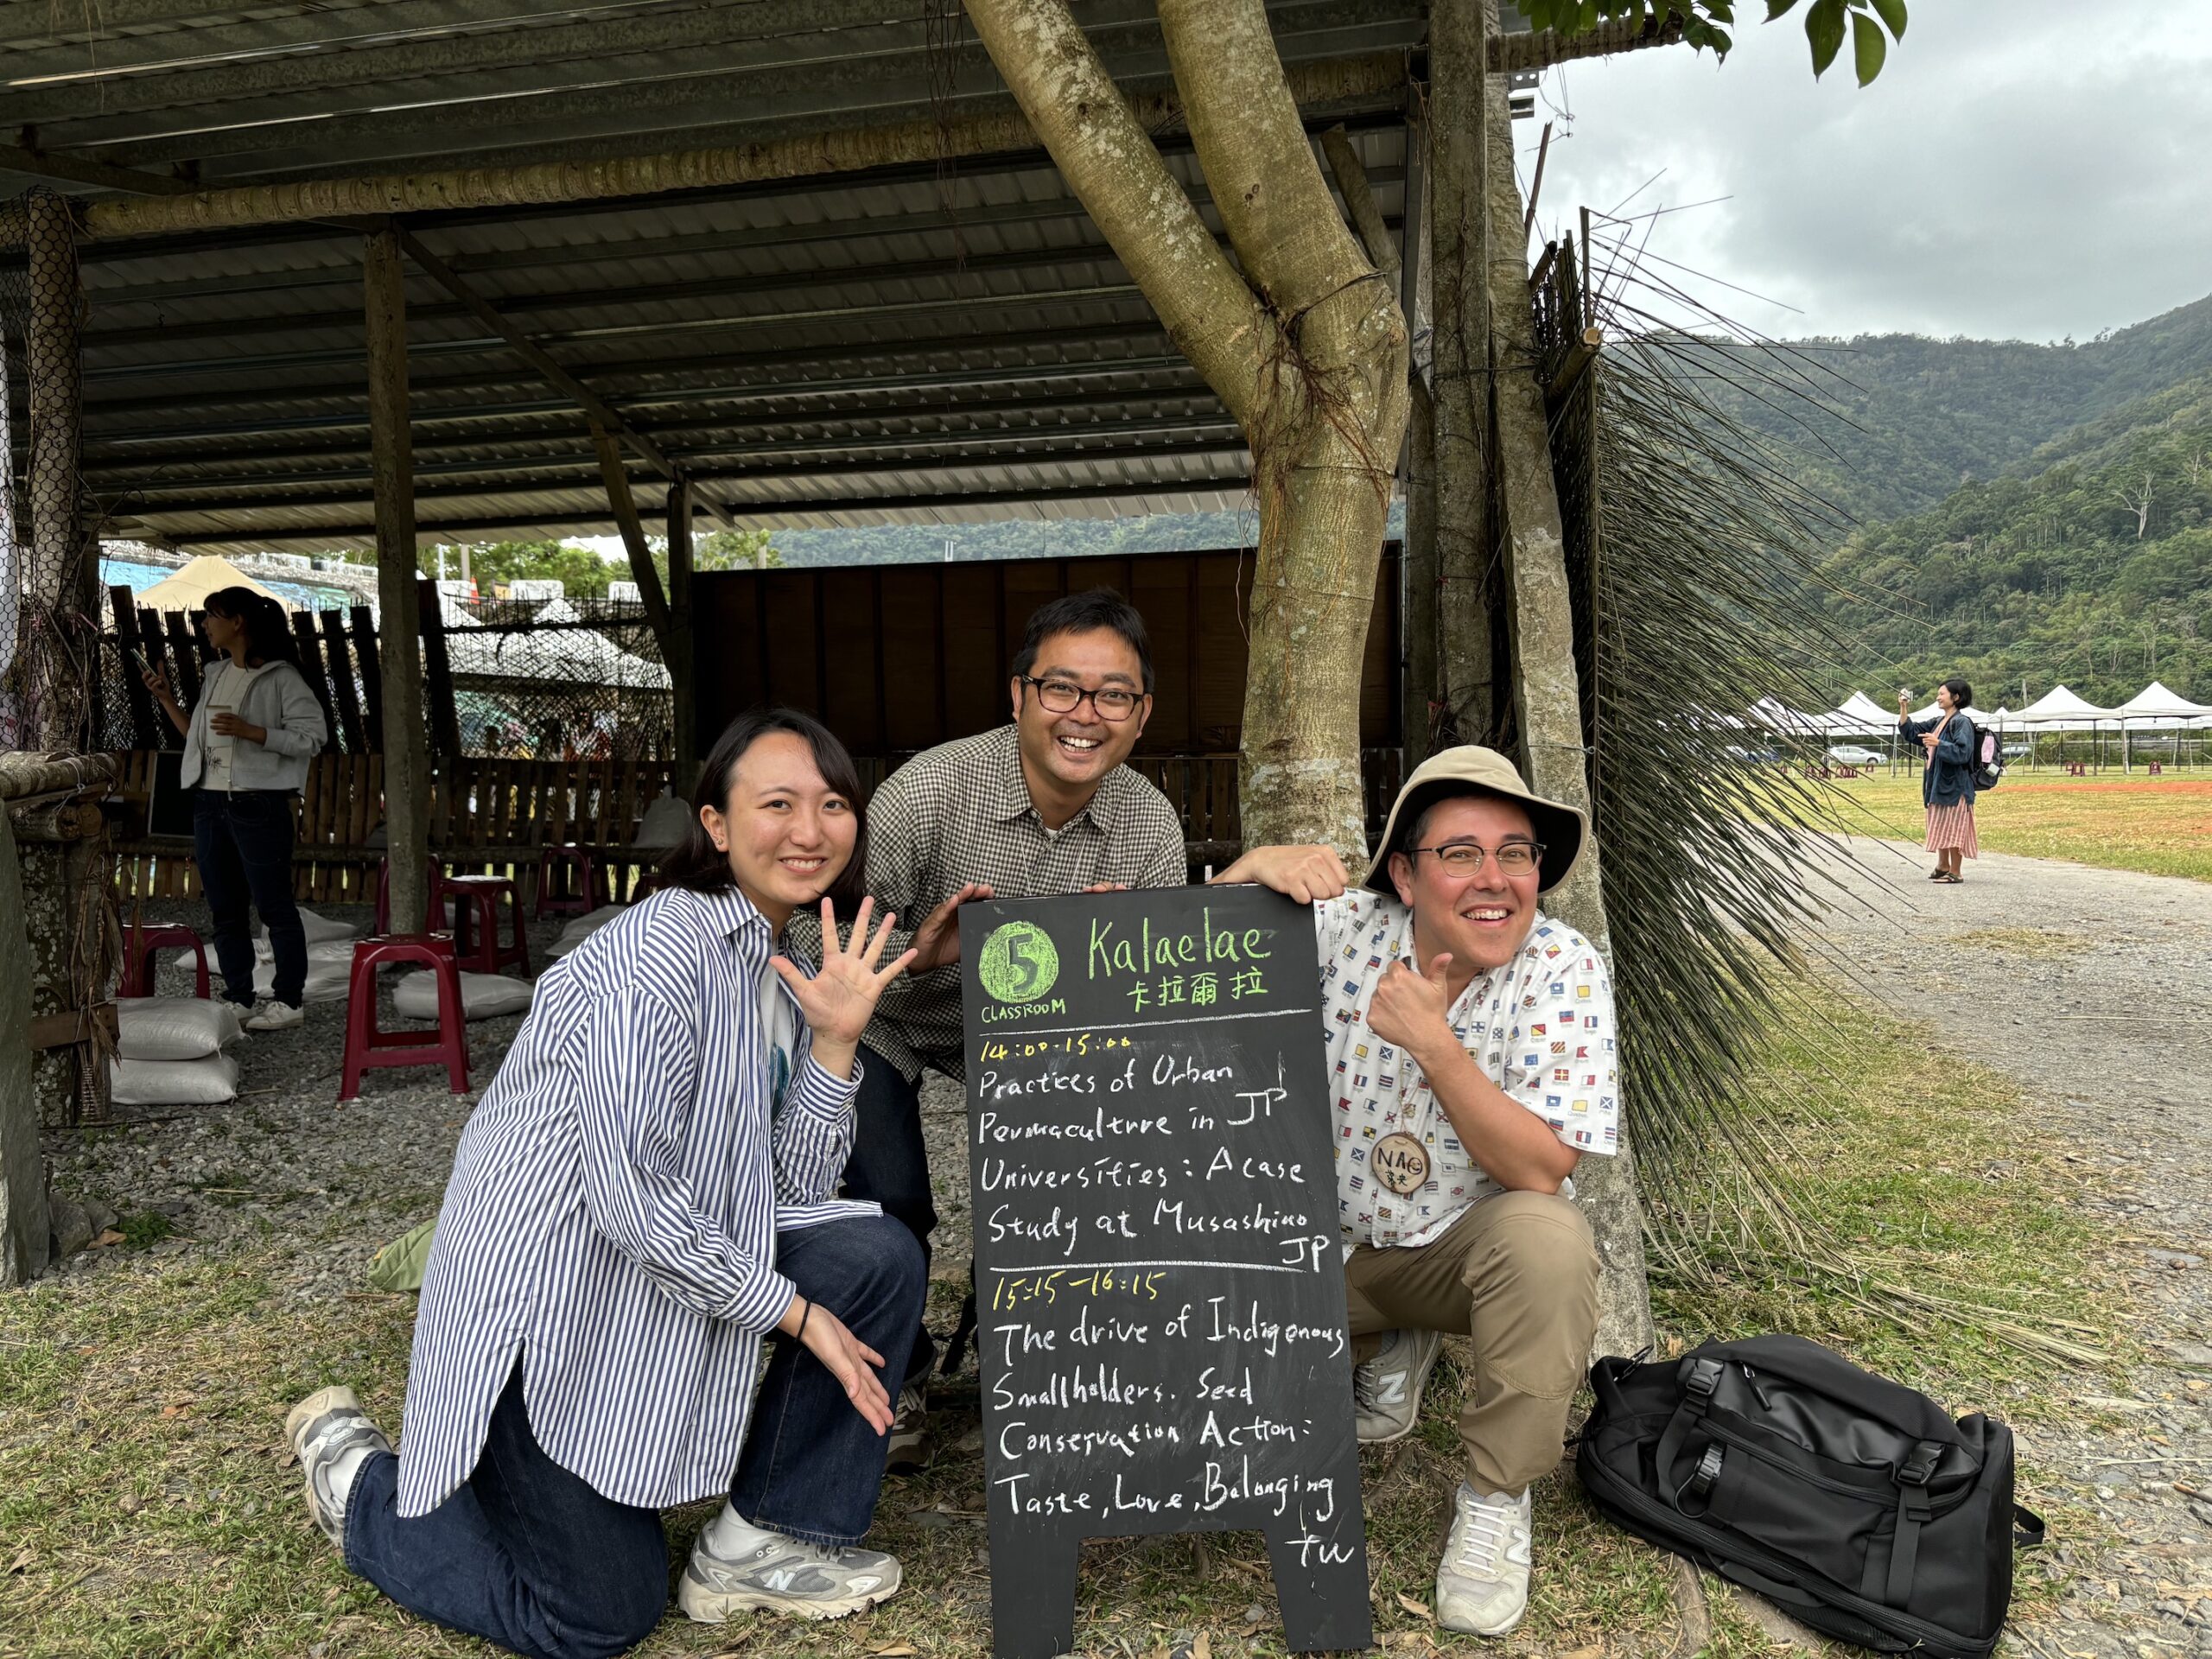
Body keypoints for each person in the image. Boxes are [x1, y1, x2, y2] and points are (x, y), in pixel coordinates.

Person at [283, 710, 929, 1658]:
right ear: (714, 824)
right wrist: (790, 1313)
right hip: (552, 1302)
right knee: (598, 1614)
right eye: (777, 804)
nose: (809, 831)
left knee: (875, 1255)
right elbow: (631, 1201)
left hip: (652, 1263)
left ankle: (760, 1539)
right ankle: (360, 1483)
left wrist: (834, 1046)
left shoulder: (770, 959)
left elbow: (782, 1189)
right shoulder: (654, 960)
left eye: (832, 805)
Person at [804, 588, 1194, 1469]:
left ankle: (1039, 1367)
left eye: (1113, 696)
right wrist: (923, 954)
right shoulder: (928, 793)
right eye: (1062, 688)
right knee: (885, 1191)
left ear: (1140, 716)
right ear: (1017, 695)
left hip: (1048, 1046)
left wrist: (1124, 961)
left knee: (1080, 1183)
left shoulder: (1148, 825)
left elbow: (1163, 1000)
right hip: (898, 1019)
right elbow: (814, 947)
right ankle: (890, 1376)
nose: (1084, 715)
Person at [1262, 747, 1611, 1637]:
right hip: (1313, 1249)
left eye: (1517, 853)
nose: (1494, 880)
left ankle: (1495, 1500)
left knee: (1548, 1238)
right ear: (1407, 876)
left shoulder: (1561, 966)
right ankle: (1381, 1339)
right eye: (1460, 854)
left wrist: (1435, 1045)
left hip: (1450, 1250)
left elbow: (1542, 1170)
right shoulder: (1344, 930)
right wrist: (1246, 872)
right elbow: (1201, 958)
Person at [140, 586, 327, 1032]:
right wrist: (166, 698)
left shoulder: (282, 678)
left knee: (274, 906)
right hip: (209, 802)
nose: (205, 625)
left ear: (238, 622)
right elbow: (198, 739)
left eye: (212, 616)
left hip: (257, 803)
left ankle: (288, 1000)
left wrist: (255, 732)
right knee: (224, 907)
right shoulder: (216, 672)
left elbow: (312, 738)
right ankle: (240, 996)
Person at [1897, 680, 1980, 883]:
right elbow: (1911, 732)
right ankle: (1943, 865)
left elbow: (1963, 752)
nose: (1938, 697)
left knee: (1954, 825)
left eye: (1942, 694)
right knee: (1941, 823)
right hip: (1938, 783)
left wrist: (1939, 743)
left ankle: (1956, 871)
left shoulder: (1962, 722)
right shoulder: (1938, 722)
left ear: (1956, 697)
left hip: (1956, 786)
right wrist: (1903, 706)